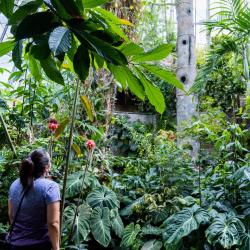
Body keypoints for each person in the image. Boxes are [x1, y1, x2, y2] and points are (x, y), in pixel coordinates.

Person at [8, 148, 60, 250]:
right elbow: (53, 223)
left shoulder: (14, 184)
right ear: (46, 167)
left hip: (15, 244)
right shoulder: (50, 187)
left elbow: (11, 215)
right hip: (40, 245)